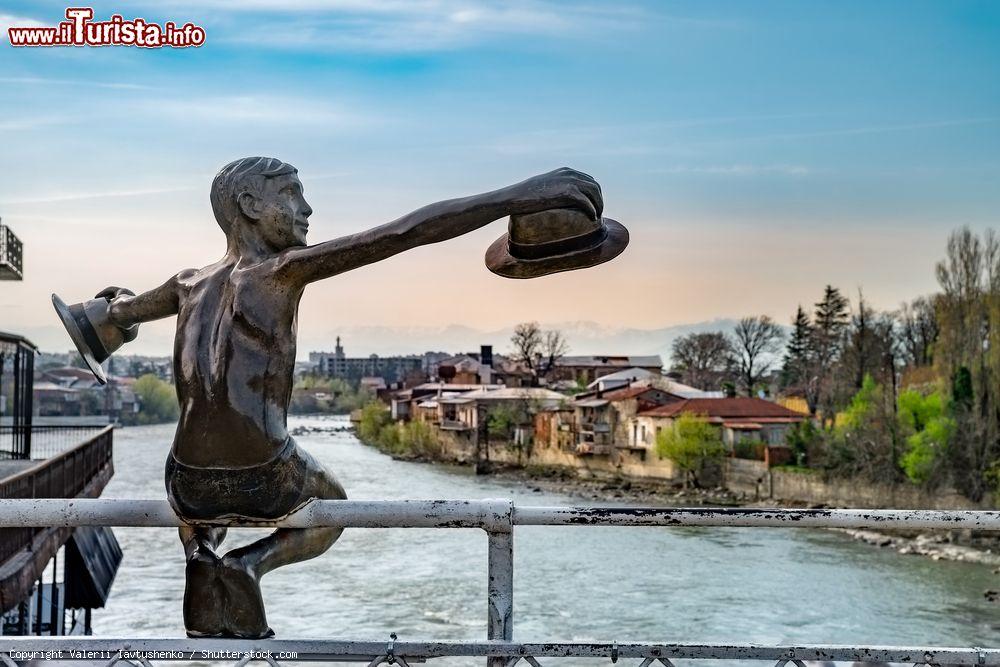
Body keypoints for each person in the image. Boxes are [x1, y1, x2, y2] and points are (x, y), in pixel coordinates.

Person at [97, 156, 604, 638]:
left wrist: (114, 306)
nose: (308, 209)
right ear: (250, 204)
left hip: (183, 480)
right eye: (292, 194)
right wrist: (517, 195)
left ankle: (200, 555)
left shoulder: (186, 283)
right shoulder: (283, 271)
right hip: (265, 475)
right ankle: (249, 565)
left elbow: (119, 314)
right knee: (334, 504)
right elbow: (407, 231)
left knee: (199, 506)